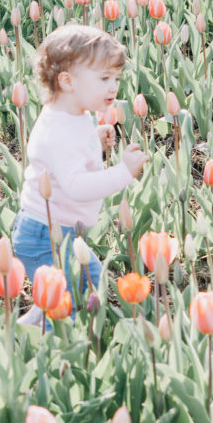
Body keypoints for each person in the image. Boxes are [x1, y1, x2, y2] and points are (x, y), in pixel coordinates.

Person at [12, 24, 146, 327]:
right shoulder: (58, 131)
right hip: (45, 236)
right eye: (103, 78)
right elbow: (75, 186)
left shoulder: (74, 115)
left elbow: (69, 158)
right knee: (69, 301)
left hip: (62, 231)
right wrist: (123, 172)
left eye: (115, 78)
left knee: (84, 285)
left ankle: (32, 324)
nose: (113, 87)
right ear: (68, 81)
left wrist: (94, 141)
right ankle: (53, 355)